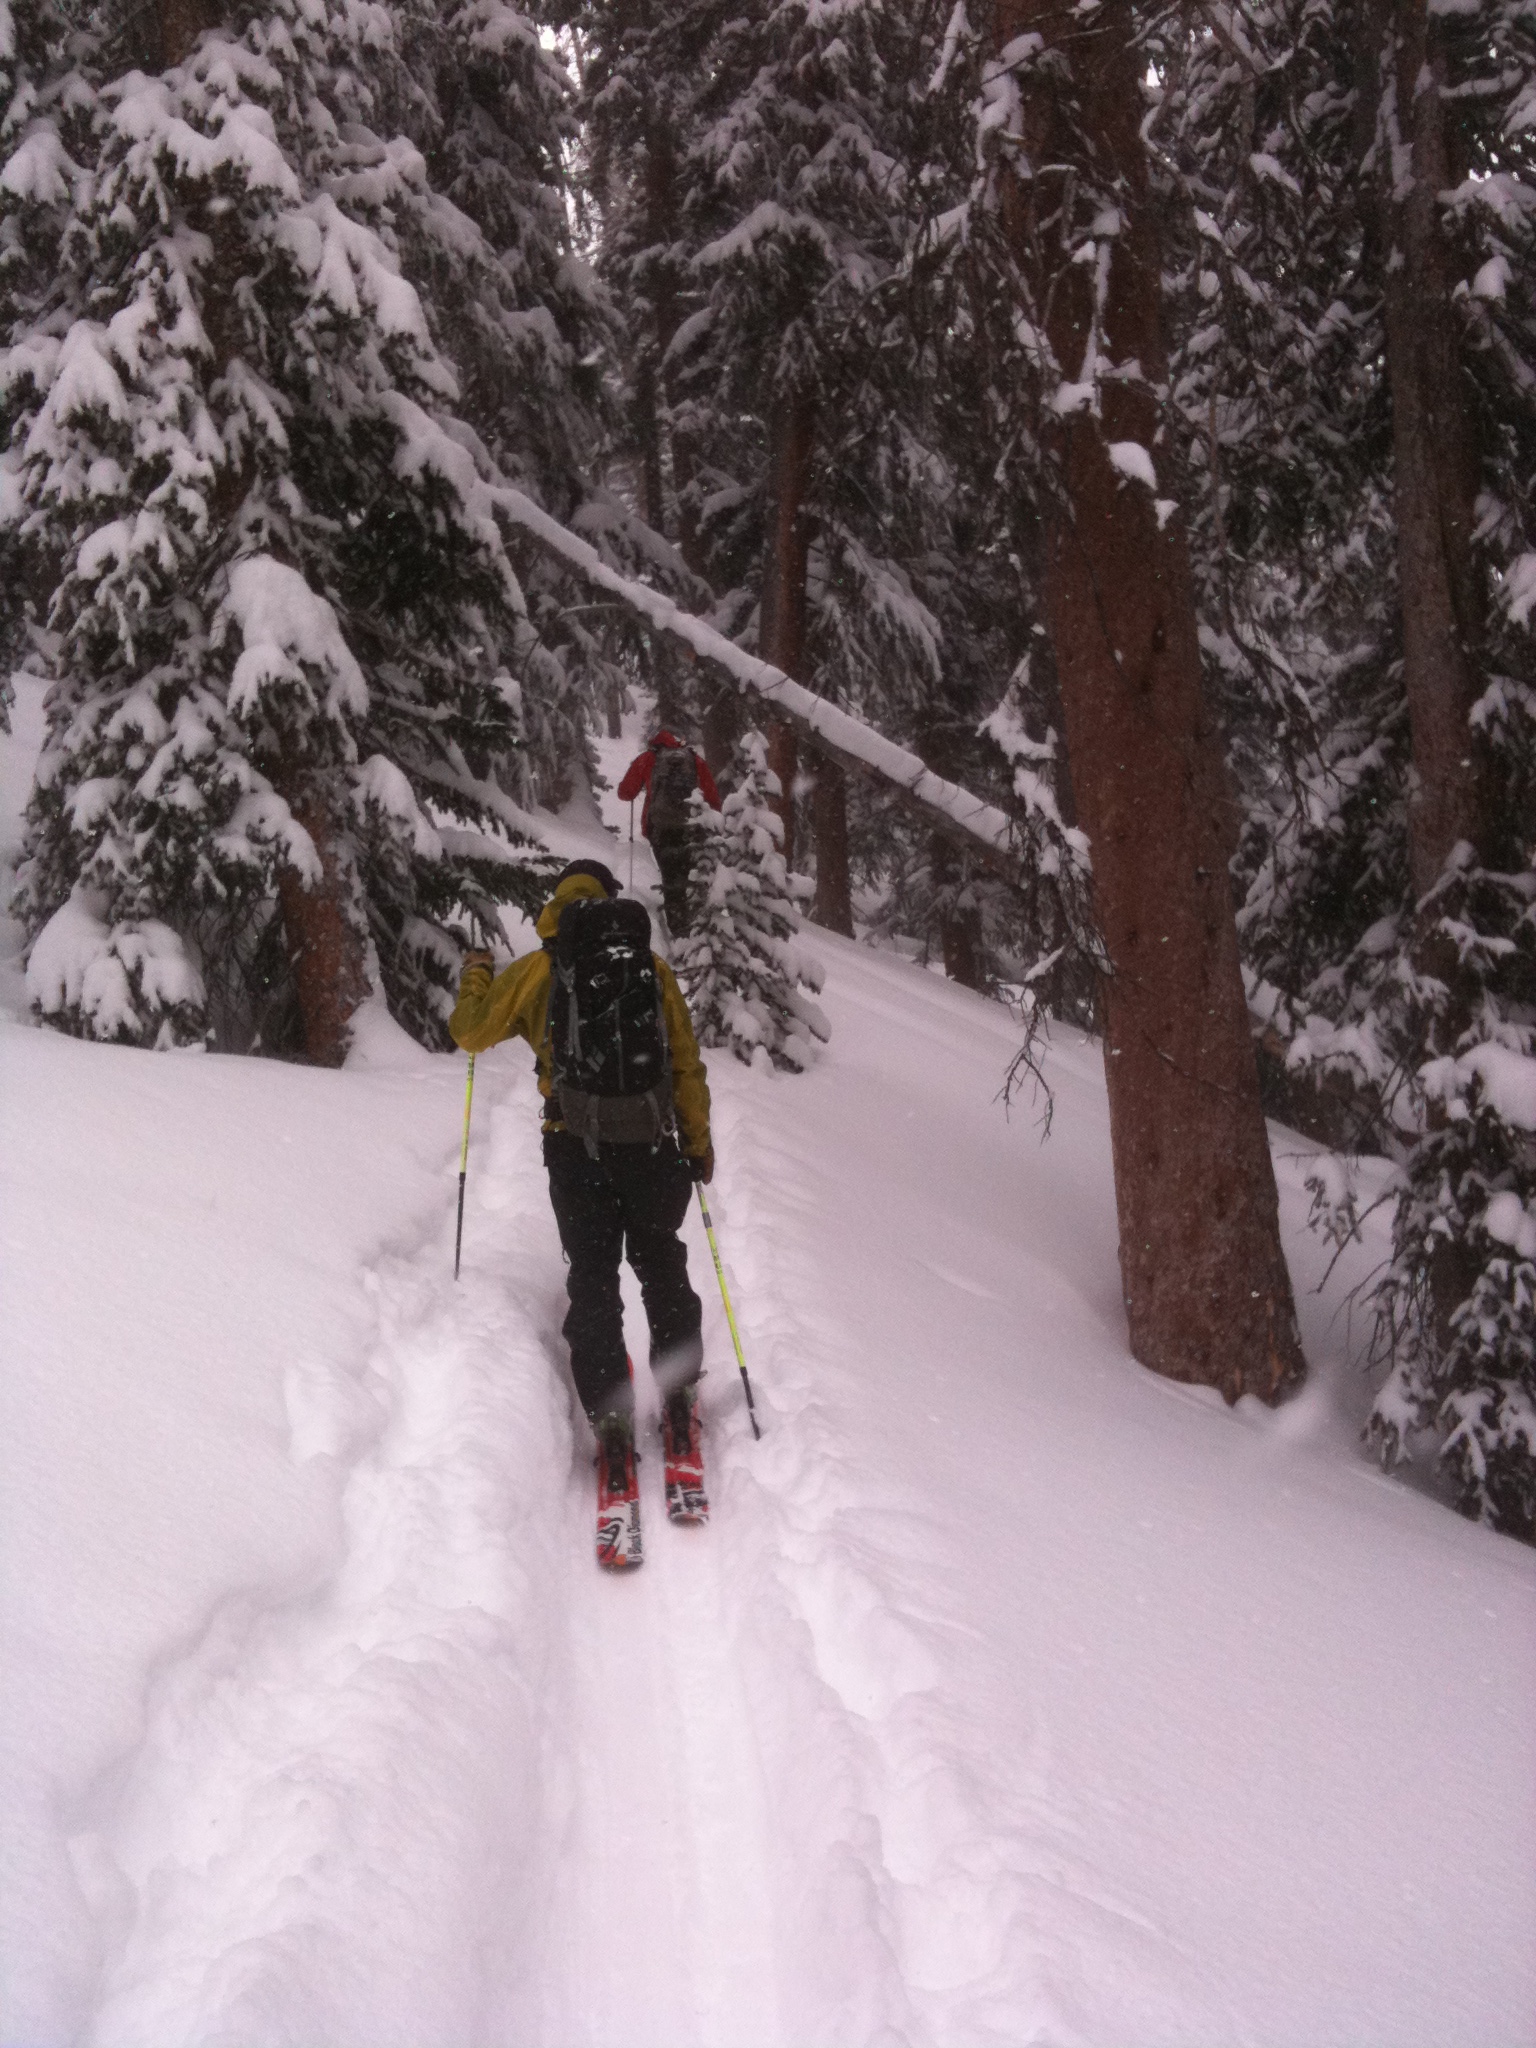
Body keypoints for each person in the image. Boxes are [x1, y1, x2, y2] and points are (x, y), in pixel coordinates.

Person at [448, 860, 713, 1470]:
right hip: (651, 1146)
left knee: (593, 1281)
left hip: (575, 1149)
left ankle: (612, 1419)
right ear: (608, 901)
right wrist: (697, 1145)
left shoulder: (539, 969)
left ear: (557, 906)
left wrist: (477, 976)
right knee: (662, 1267)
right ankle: (679, 1401)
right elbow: (685, 1065)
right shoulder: (650, 969)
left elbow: (470, 1033)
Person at [617, 729, 723, 936]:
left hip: (661, 829)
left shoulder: (648, 759)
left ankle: (678, 929)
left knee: (671, 878)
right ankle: (699, 928)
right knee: (692, 877)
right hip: (692, 828)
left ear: (656, 743)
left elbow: (625, 793)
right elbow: (712, 798)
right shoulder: (695, 761)